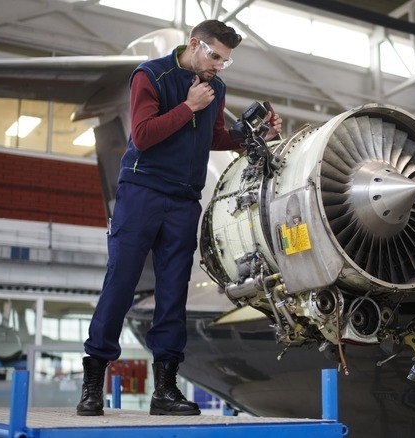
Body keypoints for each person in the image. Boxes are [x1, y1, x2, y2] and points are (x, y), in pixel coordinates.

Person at [76, 19, 282, 417]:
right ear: (195, 45)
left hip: (183, 201)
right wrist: (188, 106)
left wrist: (254, 135)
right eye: (216, 57)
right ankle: (91, 385)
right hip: (142, 193)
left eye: (227, 61)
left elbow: (213, 137)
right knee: (120, 284)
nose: (220, 67)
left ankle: (165, 391)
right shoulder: (150, 75)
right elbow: (143, 135)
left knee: (173, 296)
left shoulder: (215, 88)